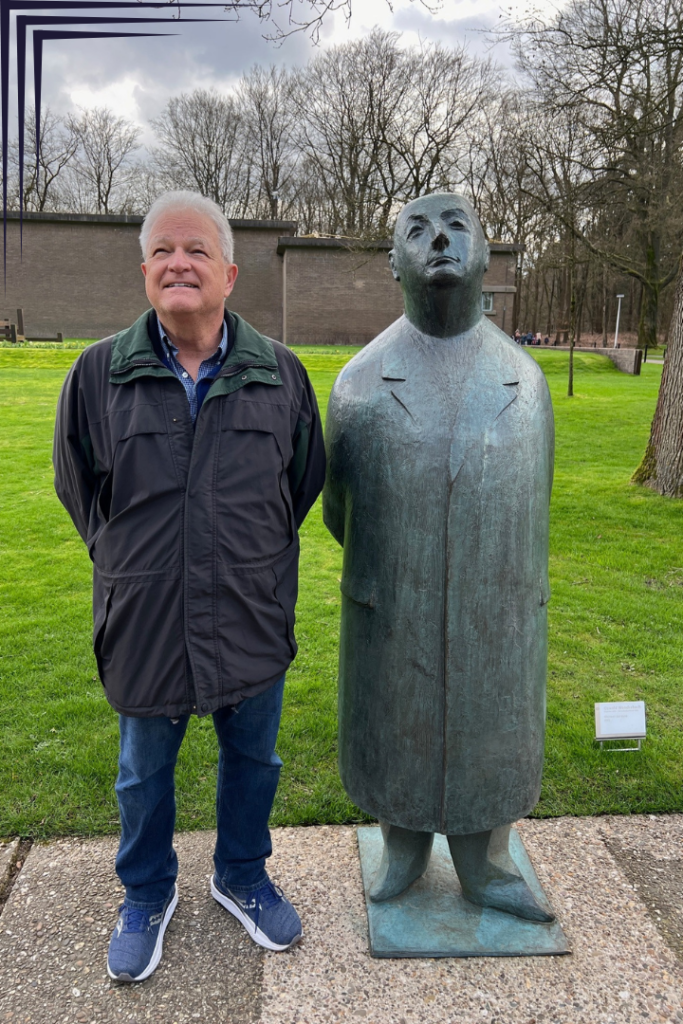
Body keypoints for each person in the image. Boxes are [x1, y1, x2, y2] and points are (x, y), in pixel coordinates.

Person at [53, 191, 325, 983]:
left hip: (250, 612)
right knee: (142, 772)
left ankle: (241, 874)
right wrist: (130, 562)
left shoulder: (281, 373)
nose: (180, 262)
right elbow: (81, 489)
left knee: (255, 762)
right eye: (164, 250)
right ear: (145, 272)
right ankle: (145, 892)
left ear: (229, 272)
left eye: (197, 250)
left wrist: (250, 560)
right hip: (145, 619)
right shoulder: (98, 373)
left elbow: (300, 485)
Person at [323, 193, 555, 922]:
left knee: (493, 735)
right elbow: (339, 512)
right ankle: (402, 847)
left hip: (500, 606)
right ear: (393, 261)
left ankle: (486, 866)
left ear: (487, 252)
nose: (439, 242)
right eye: (416, 232)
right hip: (395, 602)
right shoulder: (358, 383)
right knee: (397, 726)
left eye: (456, 226)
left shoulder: (527, 384)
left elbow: (536, 499)